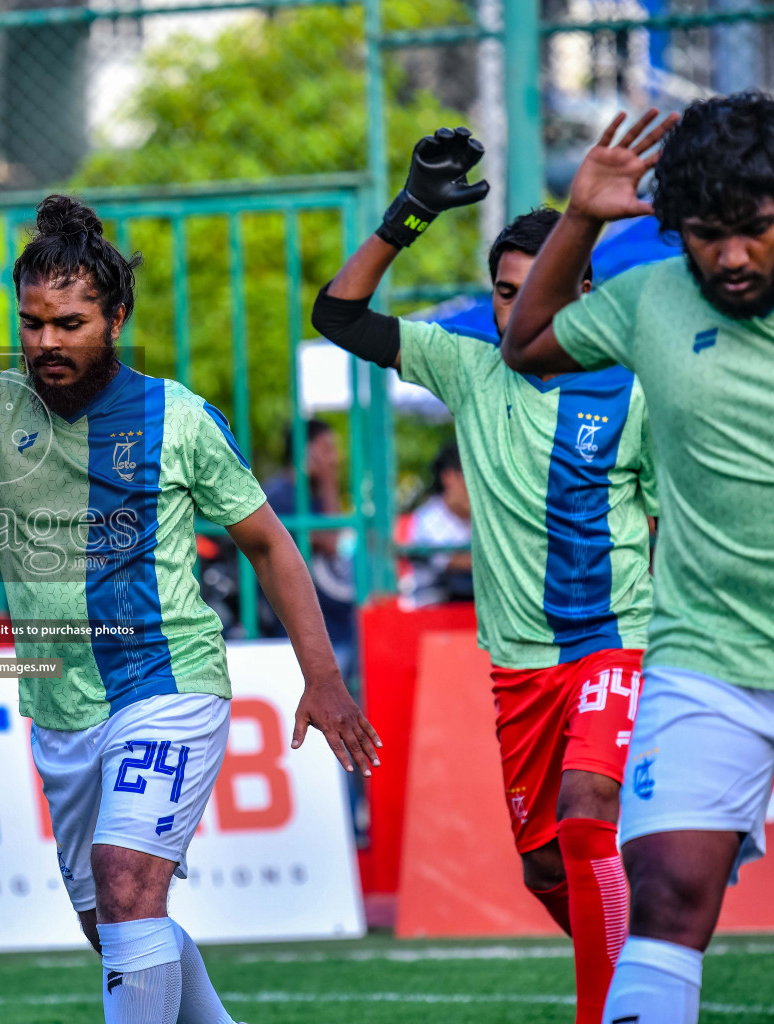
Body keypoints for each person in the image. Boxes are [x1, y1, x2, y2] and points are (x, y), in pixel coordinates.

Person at [0, 194, 380, 1024]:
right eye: (33, 322)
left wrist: (322, 677)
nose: (47, 342)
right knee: (112, 921)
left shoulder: (177, 419)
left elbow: (269, 544)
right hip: (60, 704)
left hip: (169, 683)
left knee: (125, 882)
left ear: (116, 318)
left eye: (70, 323)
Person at [311, 129, 658, 1023]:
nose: (512, 313)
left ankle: (612, 1015)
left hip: (615, 642)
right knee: (546, 865)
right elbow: (338, 316)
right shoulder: (467, 368)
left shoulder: (630, 387)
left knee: (587, 815)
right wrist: (410, 214)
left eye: (530, 292)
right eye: (502, 295)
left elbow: (674, 519)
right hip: (518, 667)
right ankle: (644, 978)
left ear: (581, 290)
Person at [502, 95, 774, 1024]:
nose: (732, 256)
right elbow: (527, 343)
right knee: (662, 896)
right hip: (706, 662)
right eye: (707, 234)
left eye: (755, 231)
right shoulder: (649, 299)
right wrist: (577, 220)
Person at [257, 420, 356, 674]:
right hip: (301, 634)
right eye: (327, 449)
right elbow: (334, 542)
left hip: (335, 627)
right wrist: (328, 480)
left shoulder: (312, 496)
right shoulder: (280, 497)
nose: (335, 458)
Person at [404, 442, 473, 605]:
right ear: (449, 477)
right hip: (433, 610)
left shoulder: (476, 516)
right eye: (470, 477)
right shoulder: (429, 517)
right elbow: (452, 562)